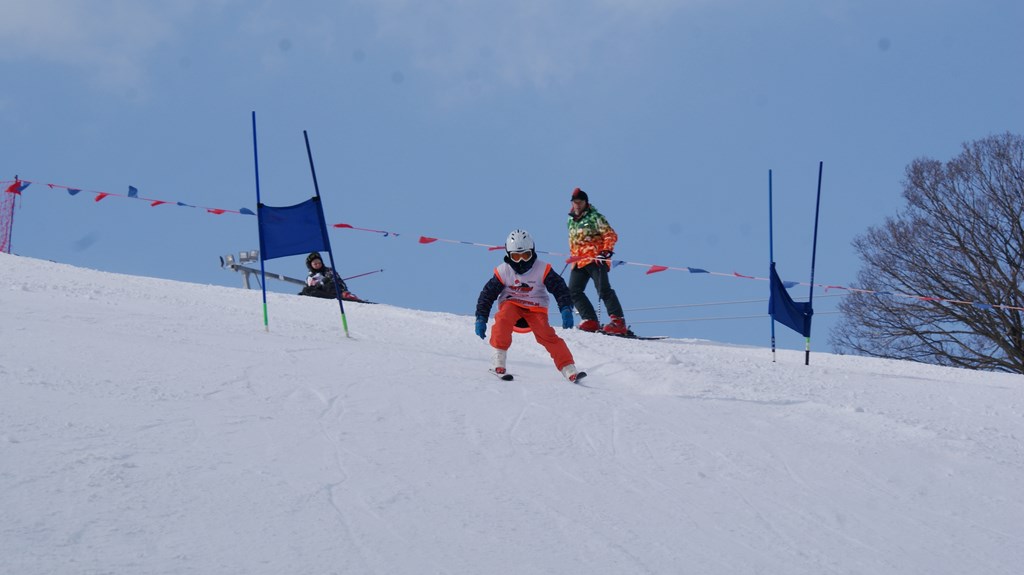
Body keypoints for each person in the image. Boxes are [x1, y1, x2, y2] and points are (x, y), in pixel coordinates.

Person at [475, 229, 586, 383]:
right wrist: (481, 317)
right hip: (512, 303)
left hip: (536, 307)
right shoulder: (504, 271)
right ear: (509, 255)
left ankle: (568, 367)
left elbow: (559, 288)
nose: (521, 261)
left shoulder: (542, 269)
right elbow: (487, 295)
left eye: (525, 255)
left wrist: (565, 308)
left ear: (532, 252)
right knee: (503, 318)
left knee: (546, 334)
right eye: (516, 256)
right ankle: (498, 361)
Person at [567, 187, 628, 335]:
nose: (577, 205)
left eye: (580, 202)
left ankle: (618, 321)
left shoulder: (595, 217)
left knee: (603, 289)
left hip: (595, 258)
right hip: (578, 261)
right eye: (575, 202)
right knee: (573, 291)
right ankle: (590, 320)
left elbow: (610, 234)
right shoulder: (570, 220)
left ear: (586, 202)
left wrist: (605, 251)